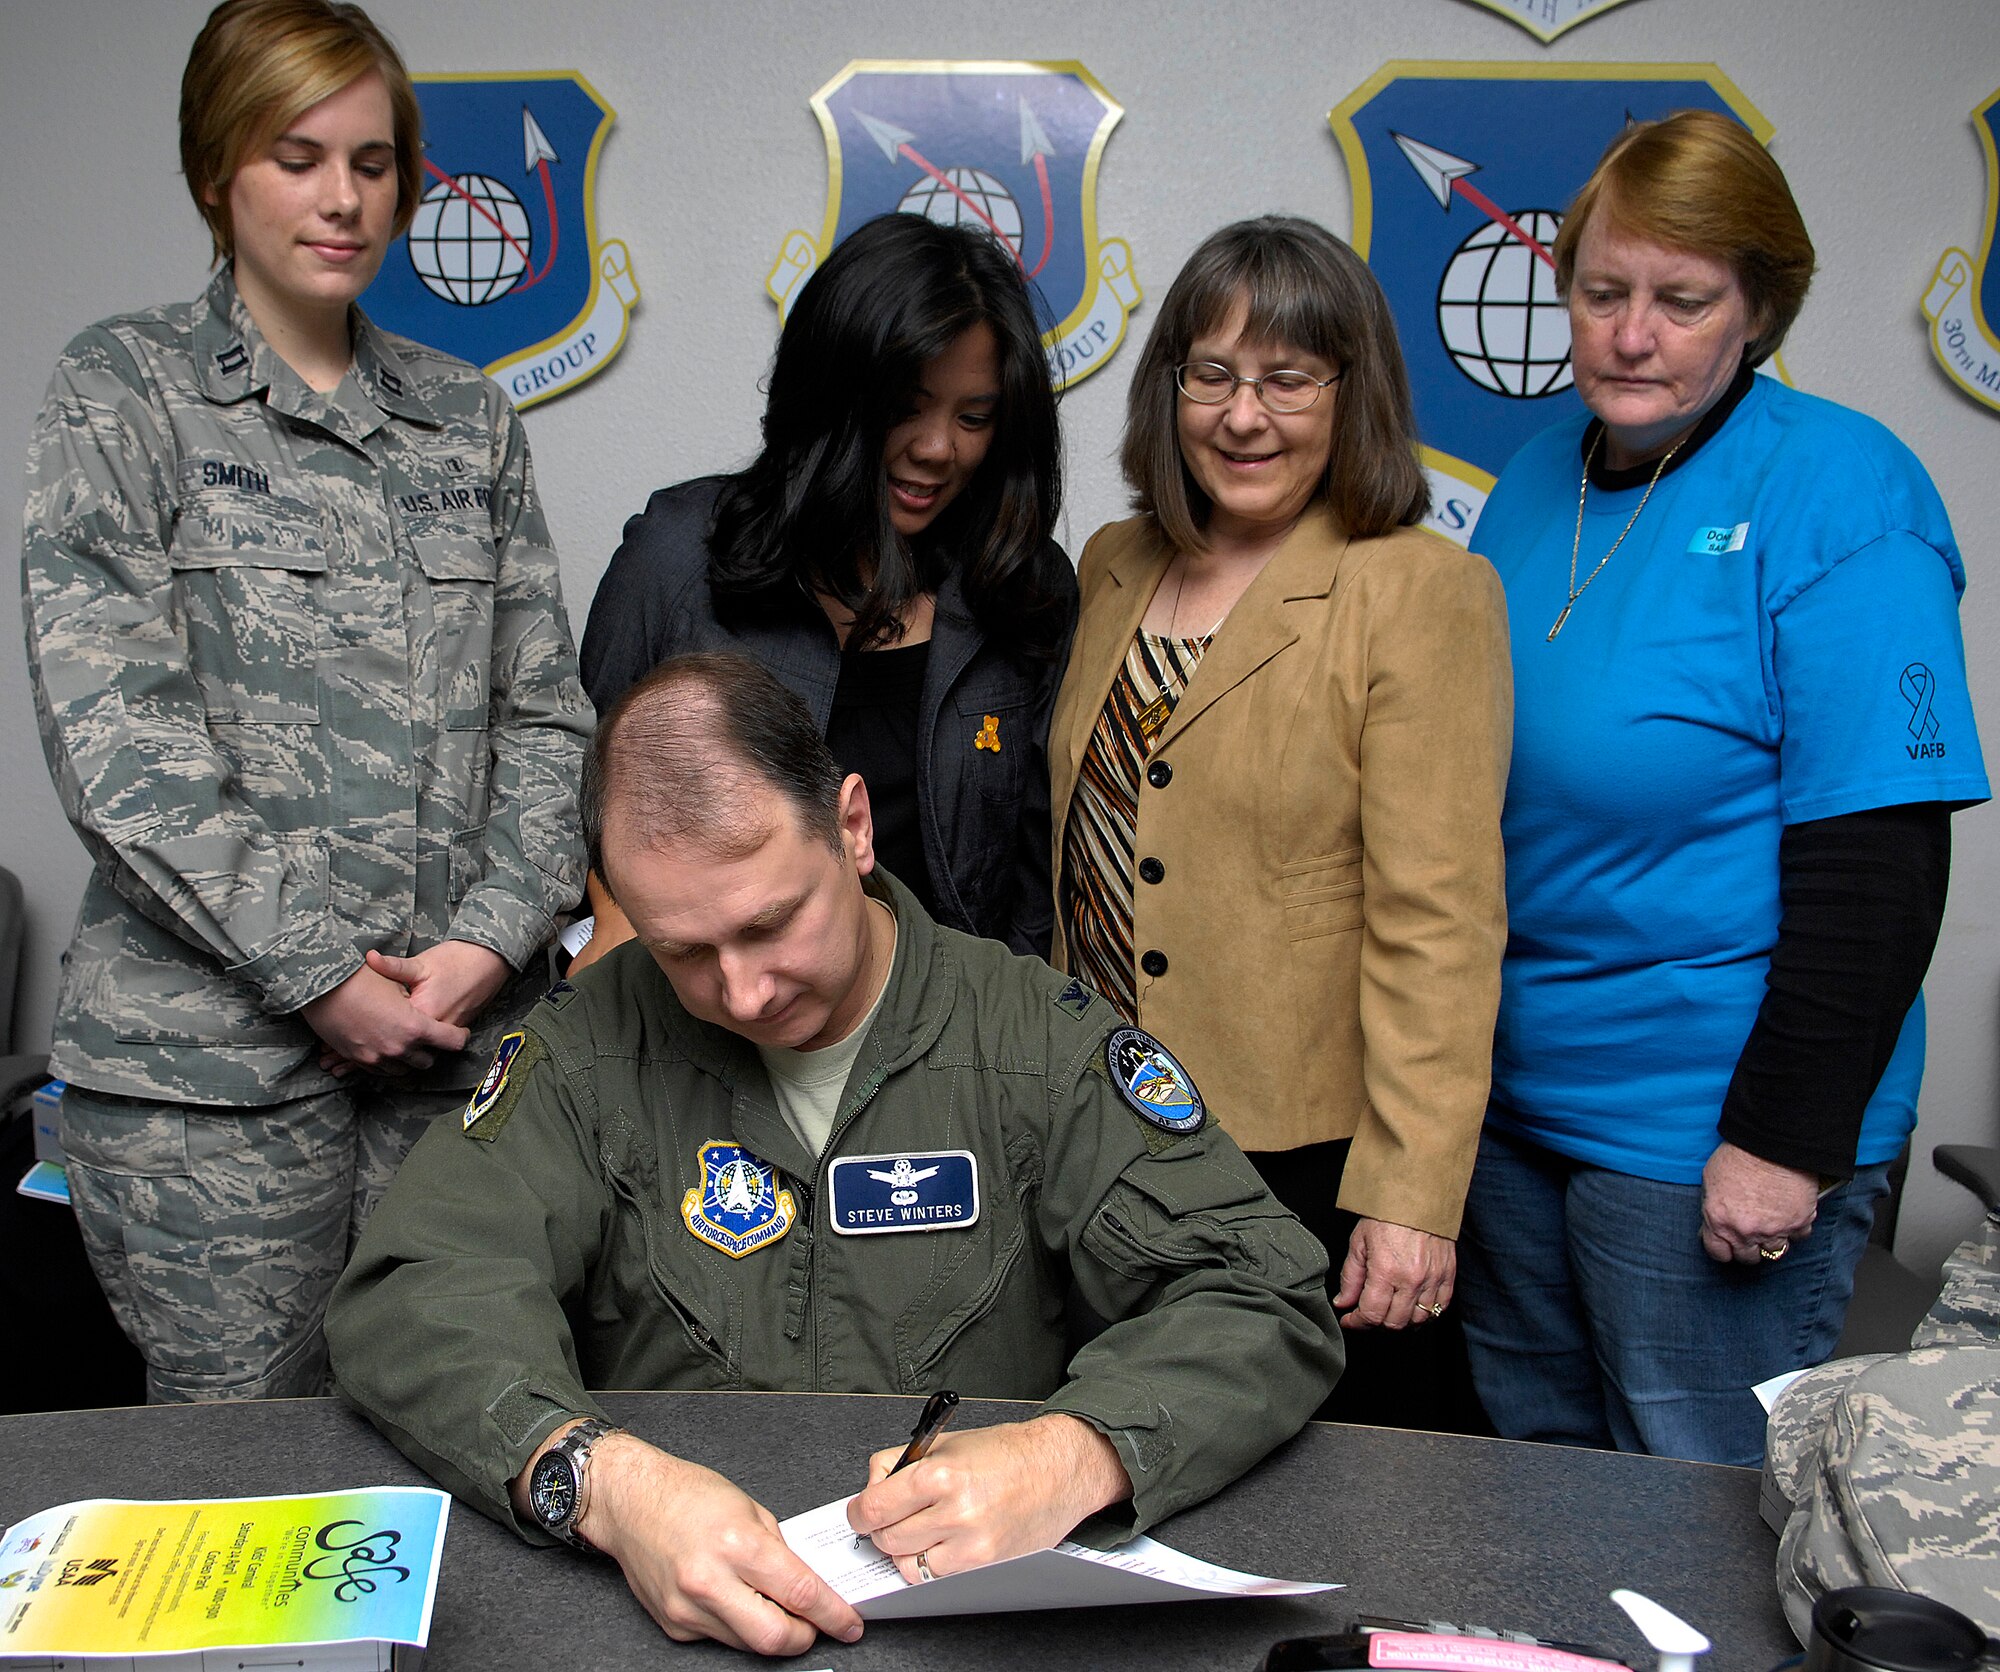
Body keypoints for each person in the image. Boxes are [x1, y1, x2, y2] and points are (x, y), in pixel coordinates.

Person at [326, 651, 1340, 1658]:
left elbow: (1257, 1291)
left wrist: (1067, 1456)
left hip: (964, 1625)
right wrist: (601, 1484)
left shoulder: (1034, 1041)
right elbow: (413, 1297)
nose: (745, 991)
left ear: (851, 826)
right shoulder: (587, 1044)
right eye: (682, 949)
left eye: (771, 924)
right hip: (661, 1625)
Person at [20, 0, 591, 1404]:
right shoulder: (124, 389)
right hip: (213, 1088)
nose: (344, 197)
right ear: (218, 169)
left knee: (469, 1446)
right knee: (235, 1501)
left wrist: (485, 939)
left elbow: (549, 717)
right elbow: (120, 745)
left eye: (376, 161)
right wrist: (325, 981)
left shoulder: (467, 417)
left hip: (459, 1064)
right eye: (297, 155)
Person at [1457, 110, 1990, 1466]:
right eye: (1603, 292)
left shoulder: (1843, 490)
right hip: (1517, 1114)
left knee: (1694, 1519)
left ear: (1757, 306)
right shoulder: (1533, 479)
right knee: (1531, 1499)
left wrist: (1782, 1143)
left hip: (1708, 1136)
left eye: (1683, 300)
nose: (1633, 336)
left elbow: (1879, 861)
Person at [1046, 216, 1512, 1429]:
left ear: (1349, 395)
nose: (1241, 416)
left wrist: (1409, 1196)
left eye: (1287, 379)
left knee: (1342, 1508)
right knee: (1132, 1477)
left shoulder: (1414, 589)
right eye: (1210, 374)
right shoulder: (1111, 563)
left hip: (1297, 1161)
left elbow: (1439, 921)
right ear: (1170, 389)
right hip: (1101, 1134)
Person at [575, 212, 1075, 964]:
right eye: (905, 408)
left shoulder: (1020, 586)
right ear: (832, 396)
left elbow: (1036, 888)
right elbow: (582, 784)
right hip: (717, 1019)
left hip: (940, 1039)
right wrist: (610, 918)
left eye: (973, 417)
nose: (938, 448)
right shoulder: (676, 556)